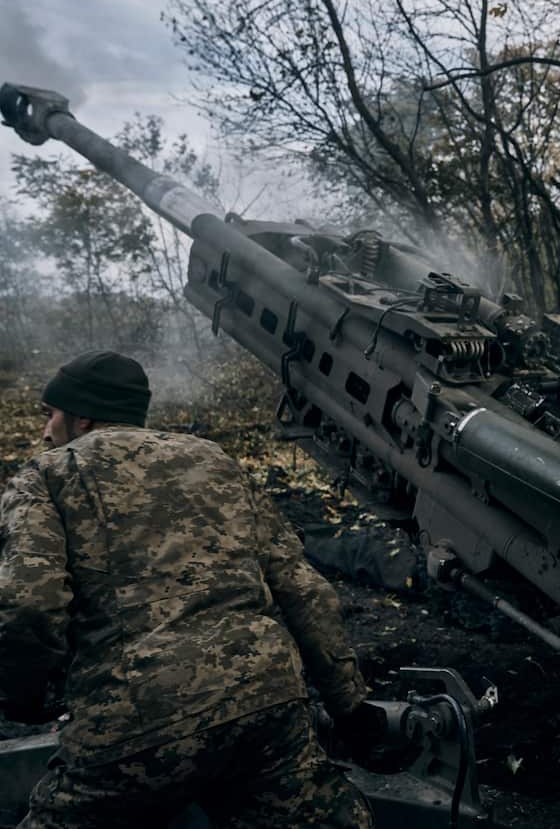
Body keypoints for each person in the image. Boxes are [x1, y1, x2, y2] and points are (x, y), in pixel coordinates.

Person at [0, 350, 380, 828]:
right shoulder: (216, 461)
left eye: (50, 414)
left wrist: (23, 697)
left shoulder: (46, 475)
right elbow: (305, 591)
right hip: (265, 702)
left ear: (81, 419)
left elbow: (29, 602)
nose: (43, 431)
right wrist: (349, 707)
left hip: (137, 721)